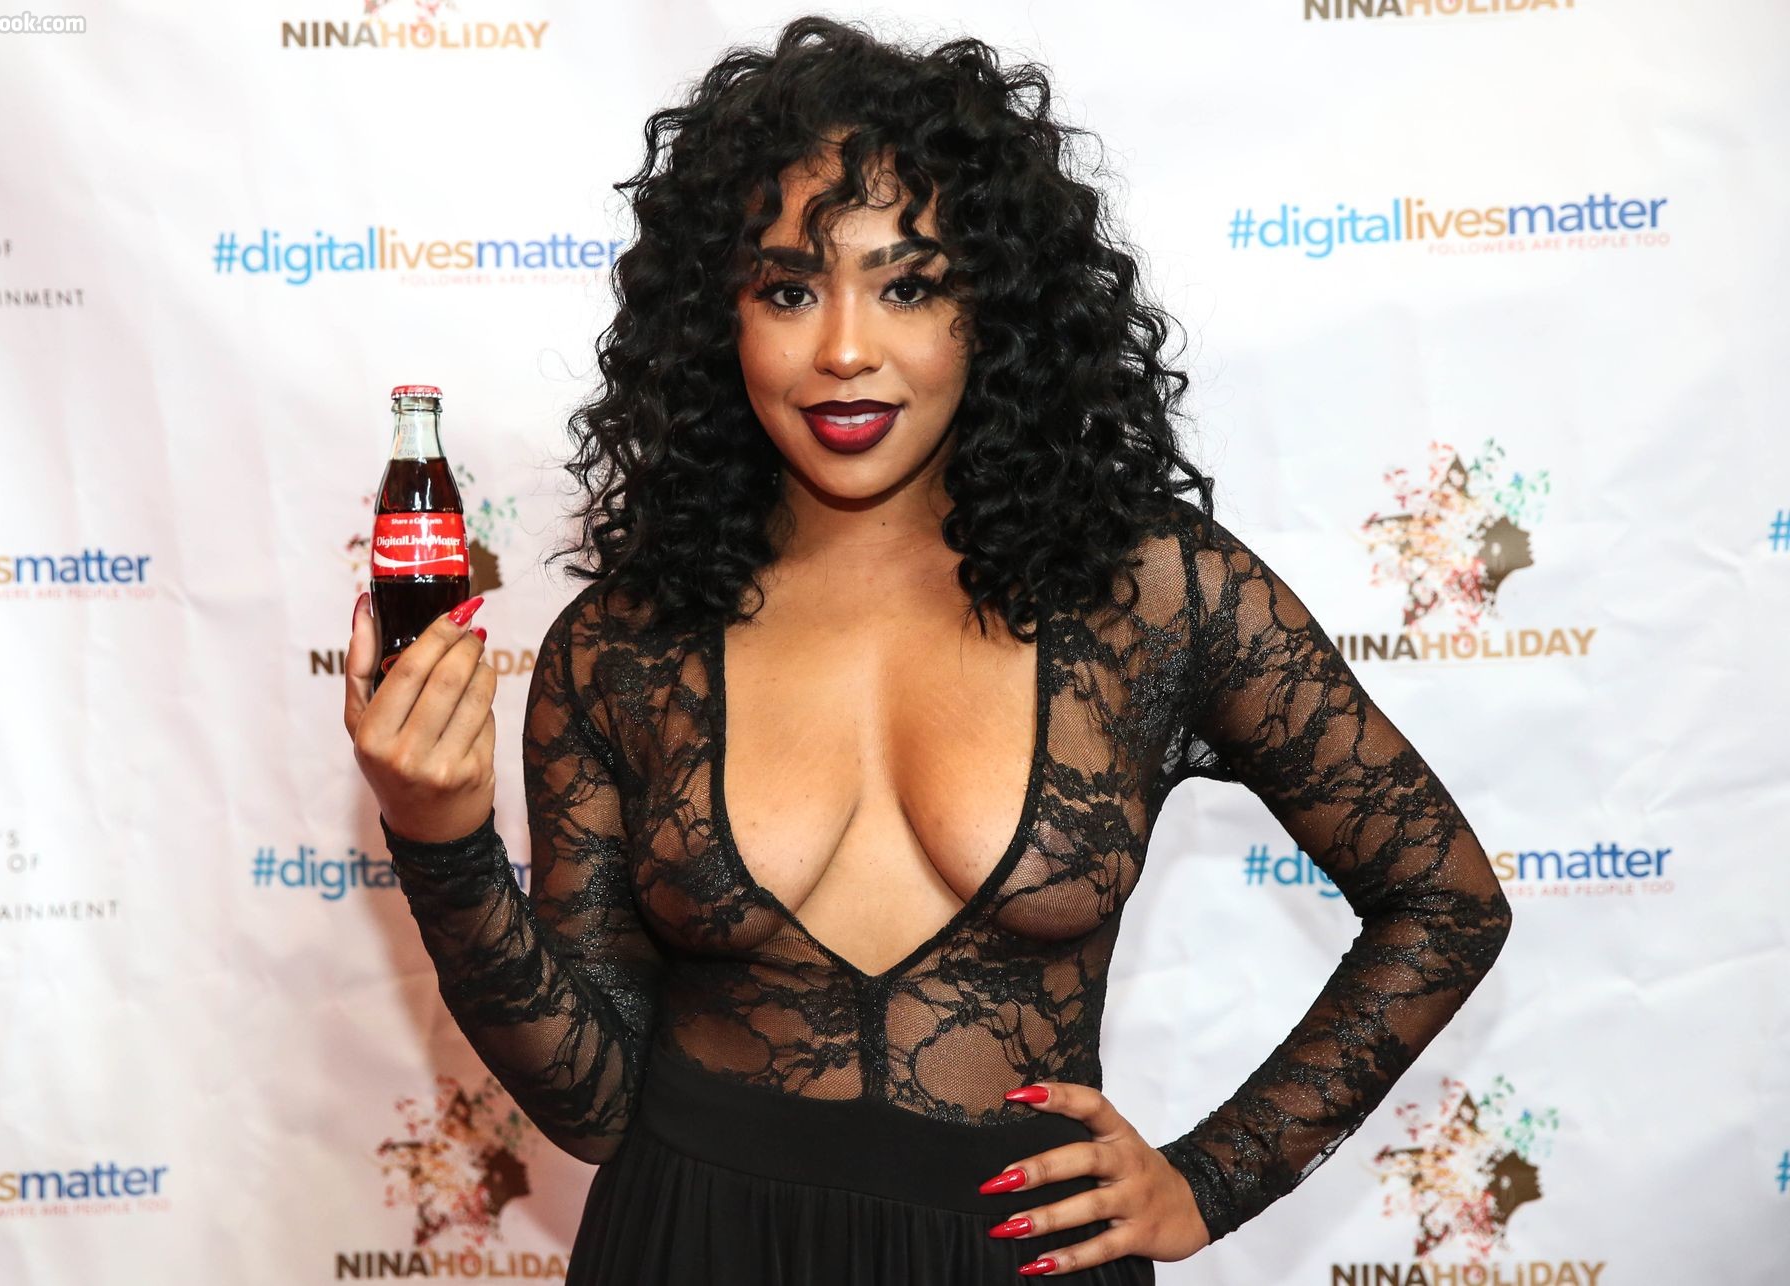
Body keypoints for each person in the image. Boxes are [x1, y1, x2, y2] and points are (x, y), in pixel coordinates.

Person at [341, 15, 1513, 1283]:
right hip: (692, 1243)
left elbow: (1444, 898)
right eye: (790, 289)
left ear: (995, 311)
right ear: (716, 317)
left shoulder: (1152, 593)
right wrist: (440, 837)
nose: (845, 347)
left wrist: (1215, 1175)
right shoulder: (623, 645)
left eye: (908, 285)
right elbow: (592, 1101)